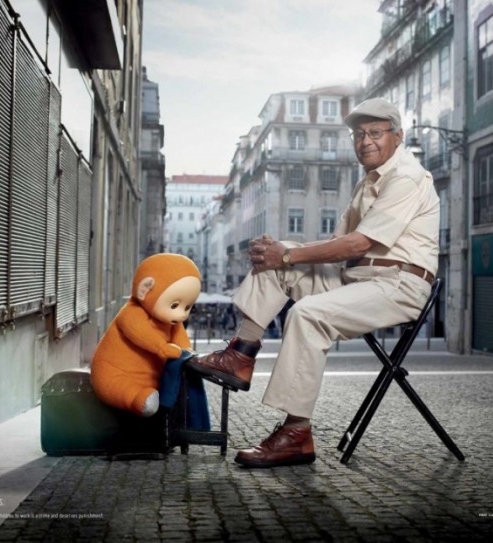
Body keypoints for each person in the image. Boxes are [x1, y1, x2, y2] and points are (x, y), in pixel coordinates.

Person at [187, 97, 439, 468]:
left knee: (306, 312)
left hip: (397, 284)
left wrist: (287, 255)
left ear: (397, 137)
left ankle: (296, 434)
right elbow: (337, 247)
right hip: (357, 278)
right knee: (279, 257)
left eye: (375, 133)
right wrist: (281, 253)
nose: (364, 141)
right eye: (358, 134)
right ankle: (240, 355)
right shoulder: (367, 182)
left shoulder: (407, 178)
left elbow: (359, 244)